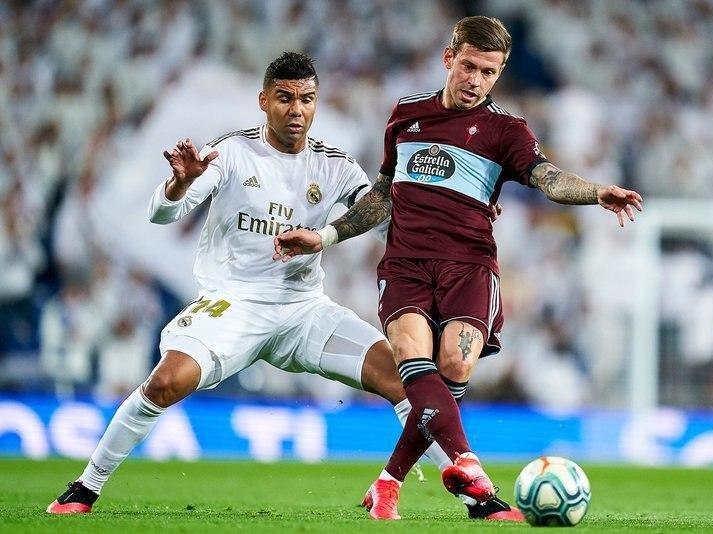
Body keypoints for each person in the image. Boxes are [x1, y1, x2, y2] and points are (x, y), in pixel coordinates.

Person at [45, 51, 519, 522]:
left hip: (304, 311)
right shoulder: (231, 152)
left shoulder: (335, 165)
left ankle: (478, 499)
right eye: (285, 98)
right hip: (234, 304)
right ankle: (85, 486)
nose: (297, 110)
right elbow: (162, 215)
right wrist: (178, 185)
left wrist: (459, 212)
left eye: (306, 99)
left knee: (409, 382)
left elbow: (386, 223)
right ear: (264, 101)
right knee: (165, 382)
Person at [274, 16, 644, 519]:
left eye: (489, 72)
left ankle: (388, 483)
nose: (476, 80)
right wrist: (325, 236)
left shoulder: (506, 131)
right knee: (414, 365)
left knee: (454, 366)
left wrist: (596, 192)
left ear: (500, 73)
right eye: (469, 66)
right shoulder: (406, 114)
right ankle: (471, 470)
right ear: (449, 58)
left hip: (469, 267)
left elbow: (548, 178)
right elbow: (382, 195)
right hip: (404, 264)